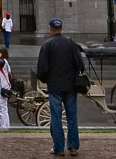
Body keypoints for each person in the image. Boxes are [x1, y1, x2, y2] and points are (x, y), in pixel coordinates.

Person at [37, 17, 83, 156]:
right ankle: (73, 146)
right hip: (70, 86)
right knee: (71, 117)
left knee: (56, 118)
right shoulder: (71, 44)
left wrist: (46, 80)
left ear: (50, 28)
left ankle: (58, 148)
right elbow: (80, 65)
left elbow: (42, 69)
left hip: (55, 87)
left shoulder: (47, 45)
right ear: (61, 28)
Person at [0, 46, 12, 130]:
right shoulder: (2, 63)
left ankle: (5, 126)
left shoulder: (3, 62)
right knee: (0, 108)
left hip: (3, 87)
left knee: (2, 108)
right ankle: (3, 125)